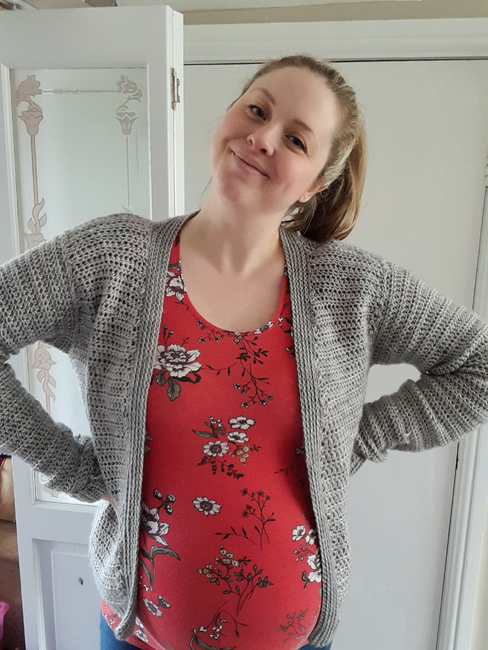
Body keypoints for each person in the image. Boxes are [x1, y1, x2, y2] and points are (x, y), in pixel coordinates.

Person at [1, 54, 488, 650]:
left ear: (317, 183)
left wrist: (354, 439)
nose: (262, 137)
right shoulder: (114, 258)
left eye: (296, 139)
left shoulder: (352, 288)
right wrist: (75, 468)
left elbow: (479, 365)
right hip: (138, 636)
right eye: (256, 109)